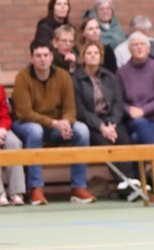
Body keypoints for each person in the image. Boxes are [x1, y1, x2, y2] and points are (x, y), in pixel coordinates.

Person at [12, 41, 95, 205]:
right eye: (38, 56)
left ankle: (78, 187)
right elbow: (24, 113)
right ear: (31, 58)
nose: (42, 59)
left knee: (82, 130)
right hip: (26, 125)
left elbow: (70, 109)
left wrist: (65, 123)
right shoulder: (22, 78)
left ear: (51, 57)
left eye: (46, 55)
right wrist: (54, 123)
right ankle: (35, 187)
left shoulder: (63, 76)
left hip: (56, 126)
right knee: (35, 131)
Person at [72, 41, 136, 191]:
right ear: (83, 57)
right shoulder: (75, 80)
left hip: (111, 121)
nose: (93, 56)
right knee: (105, 144)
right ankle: (124, 185)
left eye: (96, 53)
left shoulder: (110, 77)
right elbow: (80, 110)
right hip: (92, 124)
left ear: (101, 57)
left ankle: (132, 181)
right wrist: (101, 127)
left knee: (124, 139)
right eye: (89, 53)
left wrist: (111, 124)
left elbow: (118, 104)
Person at [116, 33, 154, 146]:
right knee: (140, 123)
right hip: (133, 121)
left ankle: (153, 157)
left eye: (142, 44)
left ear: (148, 49)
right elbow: (118, 100)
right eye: (135, 45)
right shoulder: (122, 72)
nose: (139, 47)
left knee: (136, 138)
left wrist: (143, 110)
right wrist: (128, 109)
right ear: (129, 49)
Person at [0, 84, 26, 207]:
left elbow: (5, 115)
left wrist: (2, 129)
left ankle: (16, 192)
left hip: (1, 129)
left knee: (14, 143)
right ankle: (0, 193)